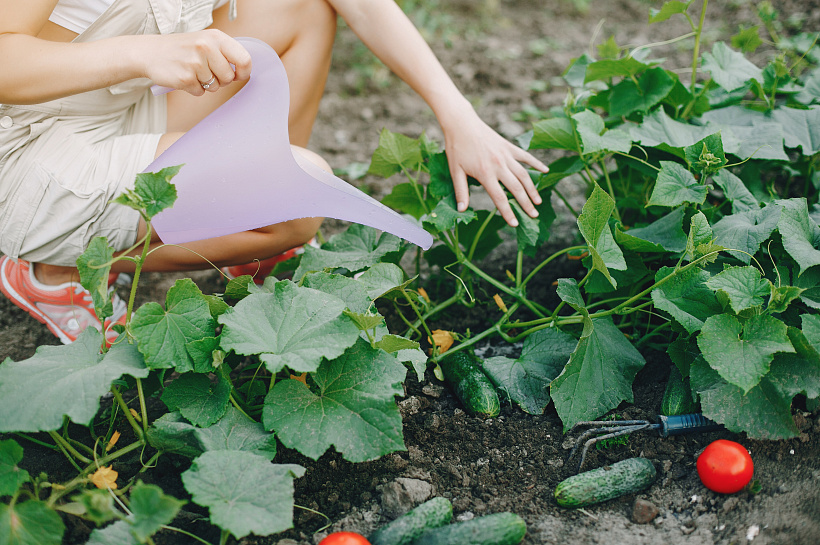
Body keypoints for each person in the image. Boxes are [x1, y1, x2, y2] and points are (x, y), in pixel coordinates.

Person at [0, 0, 548, 344]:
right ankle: (54, 271)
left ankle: (246, 231)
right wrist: (145, 53)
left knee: (302, 8)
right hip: (31, 153)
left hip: (117, 107)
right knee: (299, 198)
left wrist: (459, 117)